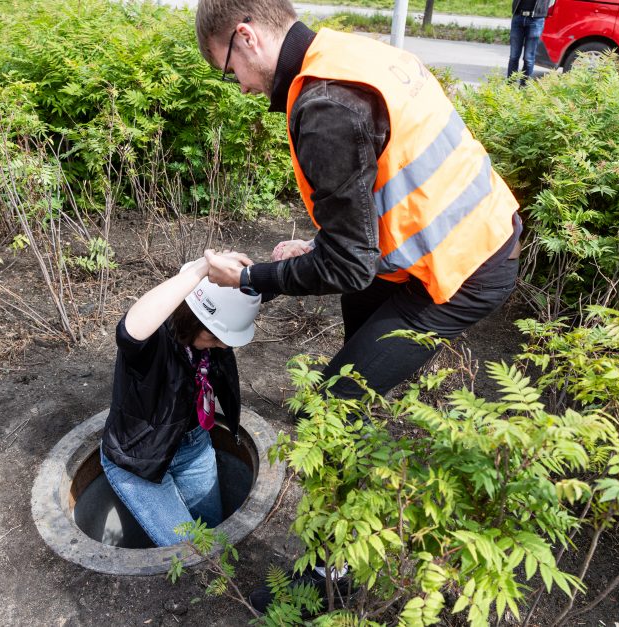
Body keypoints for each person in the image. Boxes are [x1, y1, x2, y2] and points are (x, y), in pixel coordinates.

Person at [195, 0, 523, 611]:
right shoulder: (345, 54)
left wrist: (253, 278)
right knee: (356, 372)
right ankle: (360, 455)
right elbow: (364, 223)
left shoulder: (323, 107)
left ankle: (329, 572)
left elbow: (347, 266)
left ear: (246, 36)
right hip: (444, 239)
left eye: (227, 69)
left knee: (331, 405)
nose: (238, 86)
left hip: (464, 266)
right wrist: (323, 245)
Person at [99, 255, 260, 547]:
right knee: (192, 552)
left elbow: (245, 300)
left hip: (193, 447)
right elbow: (128, 331)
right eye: (214, 337)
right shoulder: (153, 341)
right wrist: (202, 268)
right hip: (137, 461)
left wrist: (277, 266)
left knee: (214, 537)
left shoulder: (212, 336)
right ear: (192, 317)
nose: (223, 345)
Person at [507, 0, 549, 85]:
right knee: (513, 56)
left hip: (536, 19)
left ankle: (523, 87)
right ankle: (510, 87)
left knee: (528, 58)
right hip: (518, 16)